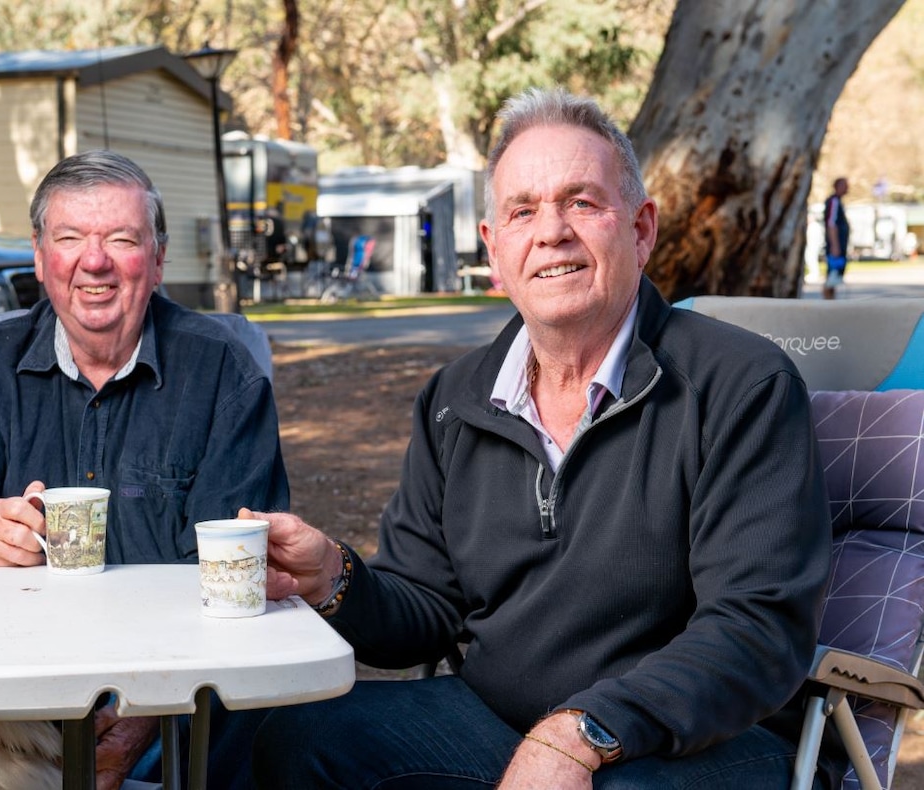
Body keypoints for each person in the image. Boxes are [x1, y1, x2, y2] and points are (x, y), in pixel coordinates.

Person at [247, 88, 843, 789]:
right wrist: (334, 578)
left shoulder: (742, 384)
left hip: (692, 741)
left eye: (582, 202)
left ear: (642, 229)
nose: (551, 231)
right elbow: (426, 607)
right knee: (292, 737)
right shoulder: (456, 399)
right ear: (496, 251)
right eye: (522, 211)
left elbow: (756, 630)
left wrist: (583, 732)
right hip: (495, 719)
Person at [0, 149, 289, 787]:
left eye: (121, 239)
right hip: (7, 677)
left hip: (170, 684)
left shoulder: (223, 370)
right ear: (40, 257)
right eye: (70, 239)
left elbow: (236, 566)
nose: (95, 261)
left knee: (265, 706)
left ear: (158, 258)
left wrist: (150, 703)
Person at [823, 177, 850, 299]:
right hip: (835, 245)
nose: (847, 188)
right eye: (845, 185)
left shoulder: (839, 202)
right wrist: (835, 244)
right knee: (831, 277)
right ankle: (828, 302)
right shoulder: (833, 201)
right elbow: (831, 223)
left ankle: (831, 300)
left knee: (836, 277)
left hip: (840, 245)